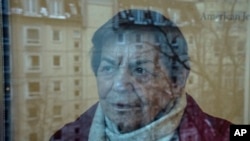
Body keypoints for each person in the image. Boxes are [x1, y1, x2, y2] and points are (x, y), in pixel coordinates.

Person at [50, 9, 231, 141]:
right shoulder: (66, 137)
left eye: (140, 70)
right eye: (108, 68)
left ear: (178, 81)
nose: (120, 85)